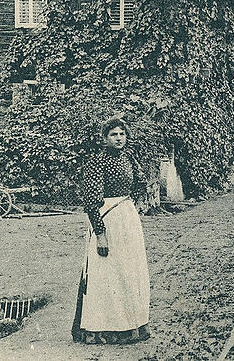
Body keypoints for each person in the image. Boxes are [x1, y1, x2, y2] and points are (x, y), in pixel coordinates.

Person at [72, 118, 150, 344]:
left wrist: (128, 205)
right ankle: (105, 329)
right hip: (106, 219)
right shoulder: (97, 162)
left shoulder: (128, 158)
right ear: (104, 138)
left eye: (122, 134)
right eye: (114, 134)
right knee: (107, 273)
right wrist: (100, 233)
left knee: (129, 271)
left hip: (126, 218)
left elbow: (140, 182)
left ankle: (130, 325)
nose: (119, 138)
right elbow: (91, 201)